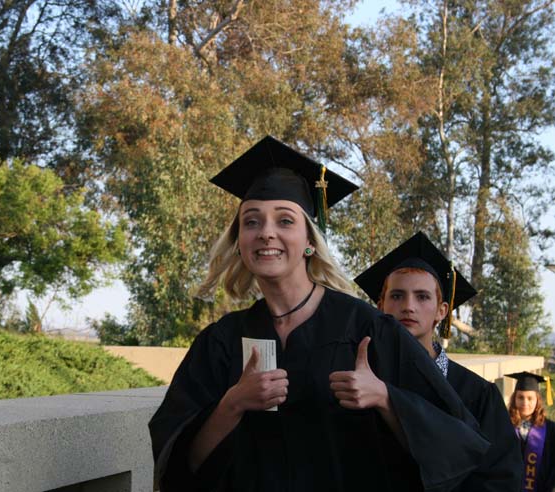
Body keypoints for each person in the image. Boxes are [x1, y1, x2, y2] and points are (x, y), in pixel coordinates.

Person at [148, 136, 490, 492]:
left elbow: (458, 441)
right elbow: (177, 467)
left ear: (310, 240)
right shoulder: (220, 342)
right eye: (252, 222)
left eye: (284, 221)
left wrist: (386, 398)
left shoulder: (367, 329)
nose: (266, 233)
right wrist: (232, 405)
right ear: (239, 241)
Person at [354, 231, 523, 491]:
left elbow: (502, 479)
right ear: (380, 306)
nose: (408, 306)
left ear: (441, 311)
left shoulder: (477, 393)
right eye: (397, 296)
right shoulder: (359, 383)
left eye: (422, 297)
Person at [506, 372, 555, 492]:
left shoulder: (551, 429)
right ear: (514, 399)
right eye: (520, 397)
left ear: (537, 400)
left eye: (530, 398)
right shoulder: (504, 426)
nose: (525, 403)